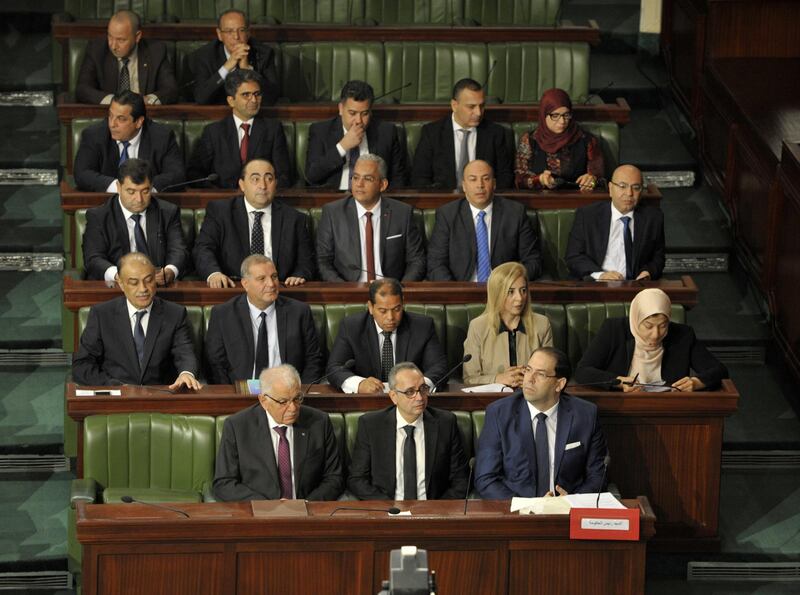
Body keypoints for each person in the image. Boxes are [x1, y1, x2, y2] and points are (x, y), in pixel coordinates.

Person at [474, 347, 608, 498]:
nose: (529, 379)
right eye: (528, 370)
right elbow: (486, 479)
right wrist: (526, 507)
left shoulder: (585, 415)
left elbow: (598, 476)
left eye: (541, 374)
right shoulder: (499, 414)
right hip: (519, 513)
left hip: (566, 512)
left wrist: (573, 500)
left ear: (559, 384)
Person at [213, 365, 344, 501]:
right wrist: (268, 506)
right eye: (283, 402)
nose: (293, 408)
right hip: (260, 514)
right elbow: (224, 483)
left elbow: (334, 478)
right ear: (264, 401)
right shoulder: (237, 427)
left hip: (308, 512)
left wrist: (306, 505)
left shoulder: (319, 422)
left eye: (297, 399)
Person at [72, 252, 200, 389]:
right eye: (134, 283)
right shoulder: (102, 315)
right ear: (121, 283)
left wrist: (186, 373)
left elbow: (184, 353)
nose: (143, 289)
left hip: (160, 397)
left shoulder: (174, 313)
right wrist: (113, 386)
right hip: (117, 398)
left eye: (149, 280)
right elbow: (82, 364)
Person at [348, 362, 470, 500]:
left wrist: (437, 510)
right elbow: (357, 480)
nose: (419, 397)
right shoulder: (371, 425)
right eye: (410, 392)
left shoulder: (446, 423)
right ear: (393, 396)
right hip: (387, 511)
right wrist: (388, 509)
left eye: (423, 389)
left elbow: (461, 480)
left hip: (433, 512)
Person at [574, 288, 728, 391]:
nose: (655, 334)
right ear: (636, 319)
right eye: (648, 326)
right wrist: (617, 381)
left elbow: (720, 370)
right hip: (621, 406)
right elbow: (583, 371)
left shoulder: (682, 335)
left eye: (663, 326)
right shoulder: (614, 330)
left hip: (668, 408)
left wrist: (696, 382)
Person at [192, 158, 315, 288]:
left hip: (278, 290)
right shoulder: (221, 212)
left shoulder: (294, 218)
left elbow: (307, 261)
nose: (263, 185)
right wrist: (214, 274)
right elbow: (203, 249)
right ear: (242, 185)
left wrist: (299, 275)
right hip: (234, 288)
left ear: (276, 184)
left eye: (269, 179)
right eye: (255, 179)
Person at [204, 255, 323, 384]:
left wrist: (300, 392)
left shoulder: (299, 312)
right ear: (245, 284)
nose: (271, 284)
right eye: (262, 279)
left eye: (274, 277)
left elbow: (313, 360)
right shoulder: (223, 314)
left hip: (287, 392)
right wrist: (231, 396)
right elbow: (216, 364)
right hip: (240, 392)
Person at [316, 154, 425, 282]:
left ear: (383, 185)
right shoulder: (333, 213)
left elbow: (416, 260)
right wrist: (344, 290)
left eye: (367, 179)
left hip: (389, 293)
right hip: (348, 291)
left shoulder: (402, 213)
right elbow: (323, 261)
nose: (359, 184)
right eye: (355, 177)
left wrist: (398, 290)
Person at [426, 160, 542, 281]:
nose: (480, 185)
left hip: (504, 291)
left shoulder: (515, 213)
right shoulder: (447, 215)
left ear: (494, 183)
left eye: (486, 179)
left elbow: (533, 261)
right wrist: (455, 292)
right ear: (464, 186)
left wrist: (509, 284)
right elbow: (435, 264)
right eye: (473, 179)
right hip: (461, 290)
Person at [326, 279, 448, 393]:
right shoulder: (351, 327)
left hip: (410, 399)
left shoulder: (422, 326)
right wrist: (360, 384)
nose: (390, 317)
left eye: (397, 309)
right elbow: (334, 368)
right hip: (369, 400)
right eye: (383, 311)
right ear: (370, 307)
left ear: (403, 303)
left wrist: (419, 386)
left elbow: (439, 367)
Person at [82, 158, 189, 286]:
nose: (139, 199)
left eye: (145, 191)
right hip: (117, 288)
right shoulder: (99, 216)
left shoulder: (167, 212)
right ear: (118, 187)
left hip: (157, 287)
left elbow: (178, 250)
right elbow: (93, 258)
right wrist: (120, 275)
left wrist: (170, 270)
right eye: (131, 192)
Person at [187, 69, 290, 189]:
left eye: (257, 94)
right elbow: (194, 174)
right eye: (246, 95)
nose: (254, 100)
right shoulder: (213, 132)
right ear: (231, 101)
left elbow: (284, 176)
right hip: (223, 201)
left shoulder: (273, 129)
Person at [565, 164, 665, 281]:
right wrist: (600, 275)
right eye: (622, 186)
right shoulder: (587, 215)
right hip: (596, 284)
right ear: (611, 189)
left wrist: (648, 272)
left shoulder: (653, 218)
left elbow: (658, 258)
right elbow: (573, 256)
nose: (629, 193)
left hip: (635, 286)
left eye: (636, 187)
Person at [73, 90, 185, 193]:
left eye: (121, 119)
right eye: (110, 116)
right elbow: (82, 173)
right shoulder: (95, 135)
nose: (112, 124)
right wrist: (118, 187)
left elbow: (177, 175)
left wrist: (142, 187)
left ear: (139, 122)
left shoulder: (161, 137)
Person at [411, 78, 513, 190]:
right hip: (444, 202)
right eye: (471, 107)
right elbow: (419, 178)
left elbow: (505, 177)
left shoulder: (495, 133)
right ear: (454, 105)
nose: (478, 113)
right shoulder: (432, 133)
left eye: (482, 106)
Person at [463, 262, 554, 387]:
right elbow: (470, 378)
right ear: (497, 294)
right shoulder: (478, 327)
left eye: (523, 290)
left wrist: (529, 378)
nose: (520, 298)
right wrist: (498, 378)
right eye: (511, 292)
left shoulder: (542, 324)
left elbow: (551, 372)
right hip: (492, 400)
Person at [304, 80, 408, 189]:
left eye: (365, 114)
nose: (358, 120)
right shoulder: (321, 131)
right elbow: (311, 176)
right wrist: (342, 147)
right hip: (334, 200)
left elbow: (398, 180)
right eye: (352, 113)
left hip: (373, 201)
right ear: (340, 109)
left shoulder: (386, 132)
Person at [76, 10, 177, 105]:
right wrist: (116, 102)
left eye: (121, 40)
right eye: (110, 37)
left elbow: (171, 89)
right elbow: (82, 89)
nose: (113, 46)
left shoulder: (155, 51)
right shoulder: (97, 50)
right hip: (110, 117)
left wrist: (147, 100)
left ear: (137, 36)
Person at [514, 88, 604, 192]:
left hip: (578, 199)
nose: (562, 121)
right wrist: (539, 180)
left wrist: (592, 180)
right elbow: (519, 179)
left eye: (566, 115)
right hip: (540, 200)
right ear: (544, 115)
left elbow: (599, 177)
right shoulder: (530, 140)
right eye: (555, 115)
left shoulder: (586, 140)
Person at [188, 8, 279, 106]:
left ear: (248, 33)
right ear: (219, 34)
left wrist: (247, 71)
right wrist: (226, 67)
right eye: (229, 31)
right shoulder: (204, 55)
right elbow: (201, 98)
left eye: (241, 30)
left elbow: (271, 98)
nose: (236, 36)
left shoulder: (263, 54)